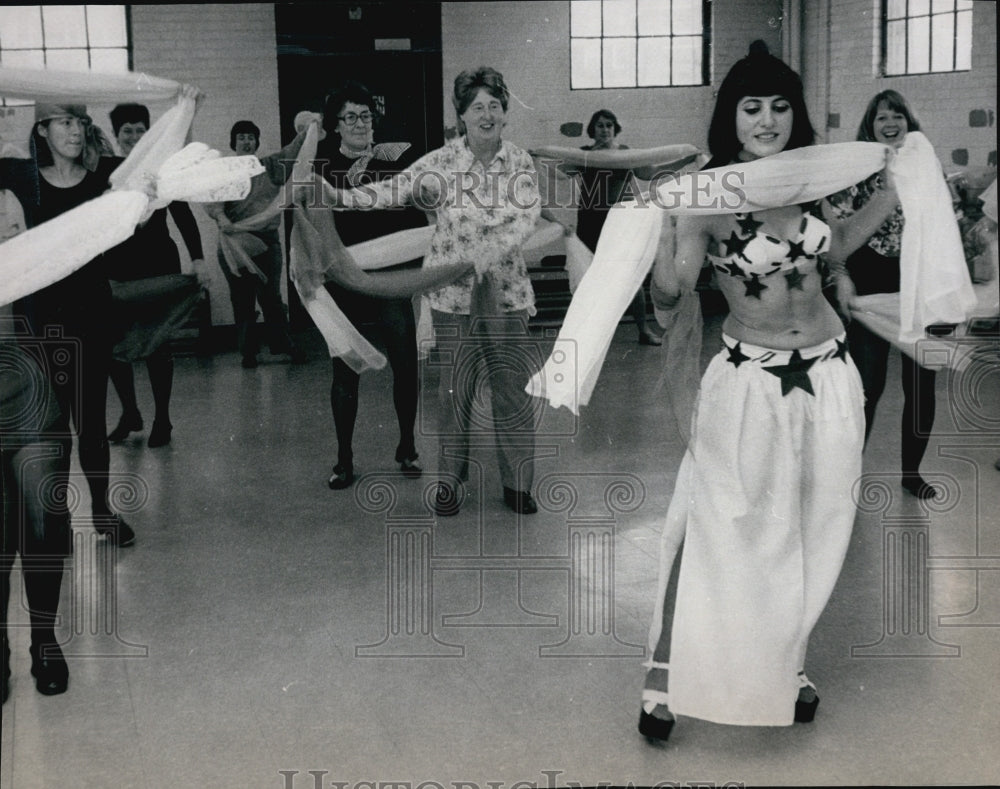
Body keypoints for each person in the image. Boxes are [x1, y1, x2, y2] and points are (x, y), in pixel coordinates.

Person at [638, 41, 867, 740]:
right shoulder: (708, 192)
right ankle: (663, 676)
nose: (766, 119)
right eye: (751, 107)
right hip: (748, 381)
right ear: (730, 118)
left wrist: (893, 184)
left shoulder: (813, 181)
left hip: (829, 376)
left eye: (778, 106)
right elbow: (672, 291)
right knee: (714, 521)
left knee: (815, 524)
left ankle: (787, 662)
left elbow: (833, 255)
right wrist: (660, 225)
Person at [317, 67, 543, 515]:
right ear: (461, 116)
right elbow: (391, 191)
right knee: (454, 392)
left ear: (505, 114)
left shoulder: (518, 162)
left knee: (511, 388)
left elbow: (526, 214)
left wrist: (491, 250)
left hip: (506, 293)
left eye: (495, 106)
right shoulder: (441, 162)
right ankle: (450, 482)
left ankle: (518, 485)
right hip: (452, 295)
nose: (487, 114)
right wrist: (337, 195)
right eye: (476, 106)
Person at [15, 103, 135, 547]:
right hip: (45, 321)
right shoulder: (24, 183)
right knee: (54, 427)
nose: (76, 131)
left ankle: (102, 513)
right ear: (42, 129)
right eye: (65, 123)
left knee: (90, 423)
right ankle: (58, 518)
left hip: (92, 316)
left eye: (81, 123)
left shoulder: (101, 180)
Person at [822, 90, 942, 499]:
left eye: (897, 116)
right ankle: (847, 474)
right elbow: (835, 234)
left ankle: (912, 473)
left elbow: (947, 228)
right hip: (869, 281)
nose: (890, 124)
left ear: (910, 121)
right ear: (869, 126)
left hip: (916, 286)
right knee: (867, 386)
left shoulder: (926, 167)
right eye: (881, 118)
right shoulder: (856, 171)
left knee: (921, 387)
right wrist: (840, 274)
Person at [316, 81, 427, 490]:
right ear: (335, 125)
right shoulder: (321, 162)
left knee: (404, 360)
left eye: (366, 115)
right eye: (350, 117)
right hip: (344, 278)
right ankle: (344, 458)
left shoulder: (399, 156)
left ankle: (407, 446)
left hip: (389, 276)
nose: (360, 123)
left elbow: (419, 209)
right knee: (345, 368)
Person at [1, 187, 72, 702]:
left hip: (34, 392)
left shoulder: (19, 186)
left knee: (40, 523)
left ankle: (45, 642)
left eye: (14, 224)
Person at [104, 102, 206, 447]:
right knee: (113, 346)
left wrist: (199, 259)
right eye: (126, 131)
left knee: (159, 344)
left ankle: (163, 418)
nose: (134, 137)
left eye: (139, 129)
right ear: (116, 137)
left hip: (159, 264)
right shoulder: (107, 172)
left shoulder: (162, 171)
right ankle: (130, 412)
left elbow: (184, 215)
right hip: (117, 267)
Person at [204, 120, 307, 369]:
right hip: (234, 244)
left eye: (251, 137)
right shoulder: (224, 171)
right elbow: (213, 201)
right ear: (234, 143)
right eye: (241, 137)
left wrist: (309, 129)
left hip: (267, 242)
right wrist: (221, 217)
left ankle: (282, 344)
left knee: (271, 297)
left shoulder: (270, 166)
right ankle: (248, 352)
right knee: (241, 299)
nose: (246, 141)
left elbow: (294, 150)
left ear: (256, 142)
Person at [574, 109, 661, 345]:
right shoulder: (583, 154)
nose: (604, 129)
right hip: (591, 221)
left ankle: (644, 330)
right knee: (591, 279)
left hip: (621, 221)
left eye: (609, 125)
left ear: (615, 129)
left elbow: (648, 173)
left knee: (631, 277)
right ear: (593, 130)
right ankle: (589, 334)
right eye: (600, 125)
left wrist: (685, 158)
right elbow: (561, 172)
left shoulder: (625, 153)